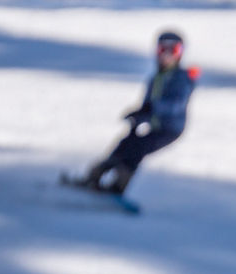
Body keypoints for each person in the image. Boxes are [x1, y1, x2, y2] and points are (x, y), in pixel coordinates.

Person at [80, 31, 198, 195]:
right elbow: (148, 102)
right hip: (155, 124)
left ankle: (118, 186)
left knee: (137, 149)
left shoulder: (181, 78)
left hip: (169, 129)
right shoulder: (157, 77)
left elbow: (176, 104)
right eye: (163, 50)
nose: (167, 55)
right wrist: (139, 113)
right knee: (125, 144)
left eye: (174, 50)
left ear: (180, 53)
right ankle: (95, 176)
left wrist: (152, 110)